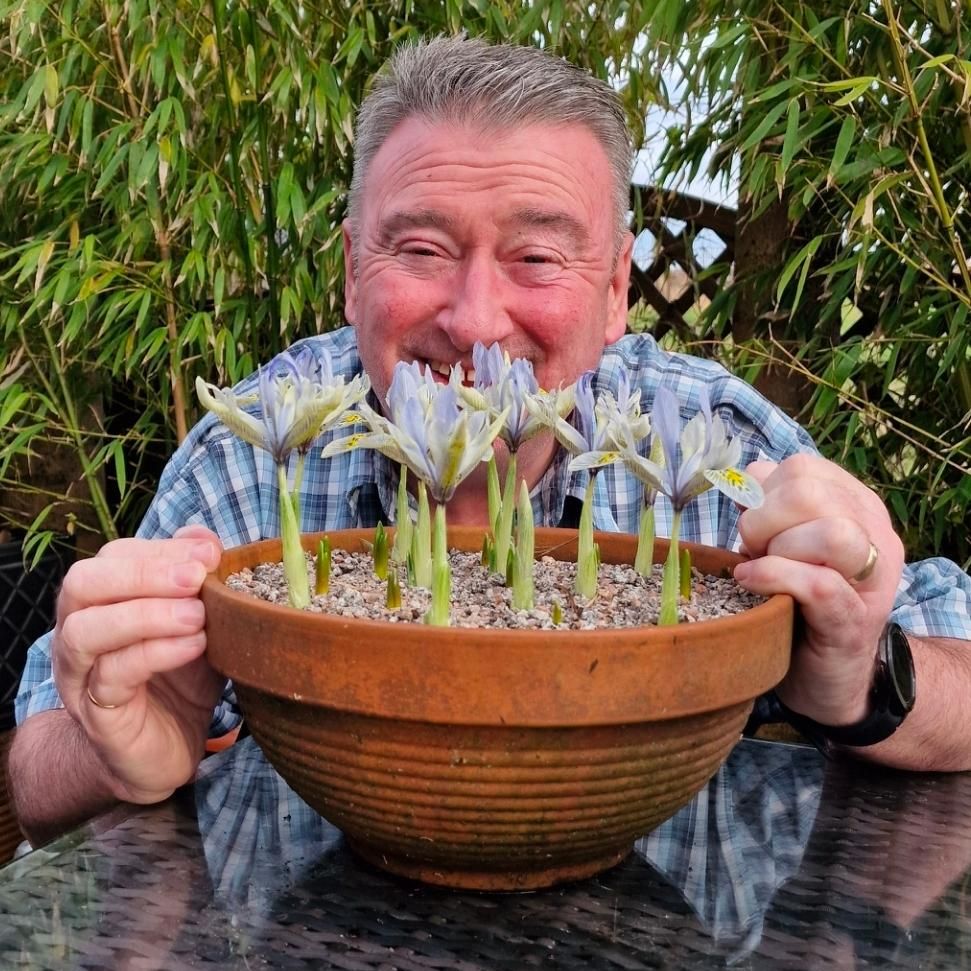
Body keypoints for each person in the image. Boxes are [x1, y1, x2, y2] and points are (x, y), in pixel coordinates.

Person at [9, 36, 971, 848]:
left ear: (613, 296)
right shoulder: (255, 451)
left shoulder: (710, 445)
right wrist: (117, 744)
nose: (474, 323)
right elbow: (32, 765)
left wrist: (862, 679)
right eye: (420, 249)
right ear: (351, 271)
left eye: (537, 257)